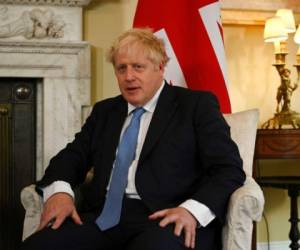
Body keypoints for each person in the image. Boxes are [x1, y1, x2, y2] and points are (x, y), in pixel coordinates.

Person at [20, 28, 245, 250]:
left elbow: (228, 169)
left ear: (160, 67)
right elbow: (71, 158)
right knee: (40, 245)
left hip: (167, 217)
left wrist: (191, 211)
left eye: (138, 67)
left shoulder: (196, 106)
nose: (129, 77)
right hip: (103, 218)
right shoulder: (105, 111)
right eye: (121, 68)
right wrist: (60, 193)